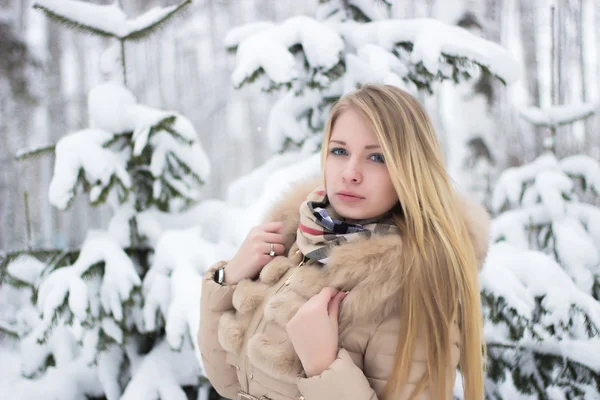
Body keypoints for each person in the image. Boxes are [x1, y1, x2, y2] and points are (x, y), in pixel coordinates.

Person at [197, 84, 490, 400]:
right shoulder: (298, 241)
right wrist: (229, 280)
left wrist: (324, 368)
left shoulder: (412, 282)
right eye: (339, 151)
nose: (350, 172)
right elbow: (229, 383)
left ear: (410, 169)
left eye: (377, 157)